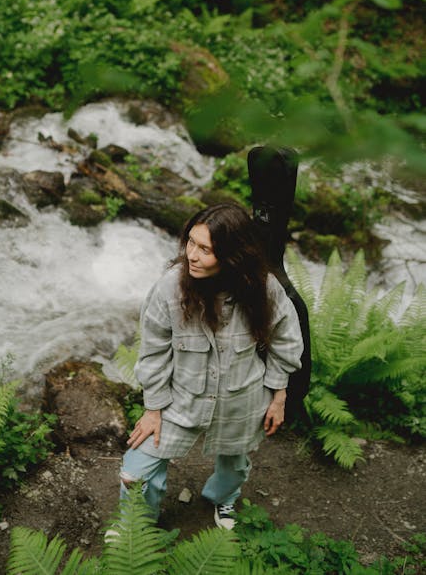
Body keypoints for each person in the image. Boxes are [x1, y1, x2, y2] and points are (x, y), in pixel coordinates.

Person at [116, 203, 303, 532]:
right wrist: (154, 408)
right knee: (134, 472)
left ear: (233, 254)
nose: (192, 255)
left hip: (242, 398)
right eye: (190, 242)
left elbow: (286, 341)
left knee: (234, 465)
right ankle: (138, 528)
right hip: (181, 400)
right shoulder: (169, 289)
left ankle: (222, 497)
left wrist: (278, 396)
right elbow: (153, 351)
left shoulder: (264, 288)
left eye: (205, 249)